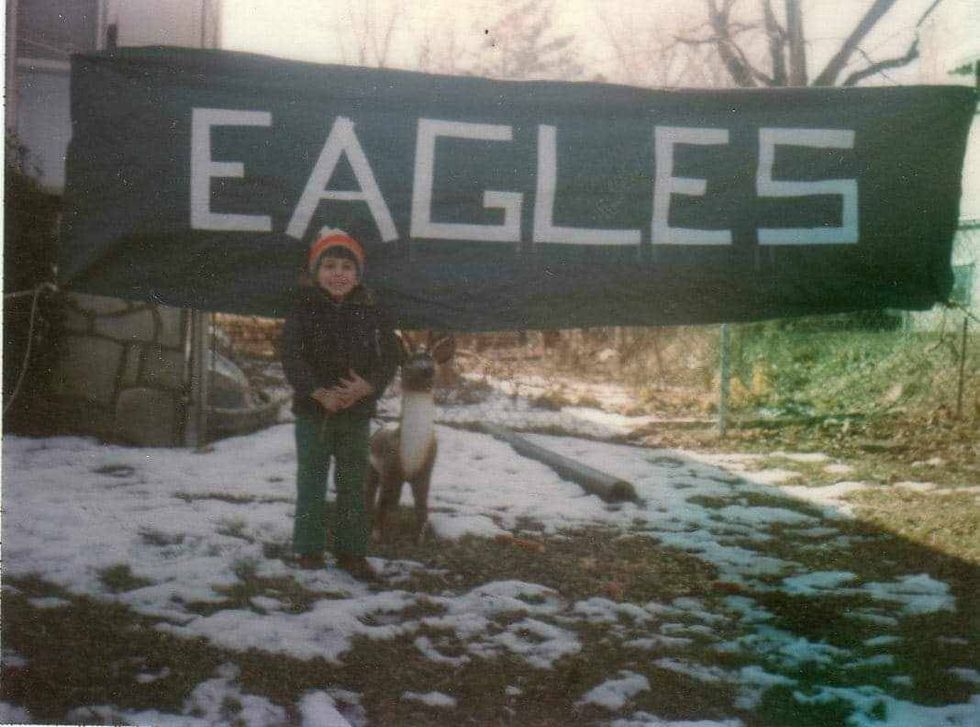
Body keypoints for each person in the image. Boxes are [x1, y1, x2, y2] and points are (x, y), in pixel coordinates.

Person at [281, 228, 402, 579]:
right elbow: (291, 357)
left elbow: (390, 357)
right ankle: (308, 549)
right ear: (316, 272)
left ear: (358, 273)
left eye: (346, 267)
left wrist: (367, 387)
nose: (338, 274)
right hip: (313, 414)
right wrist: (317, 392)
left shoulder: (373, 310)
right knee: (311, 481)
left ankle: (352, 551)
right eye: (329, 266)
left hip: (356, 414)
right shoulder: (303, 309)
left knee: (354, 483)